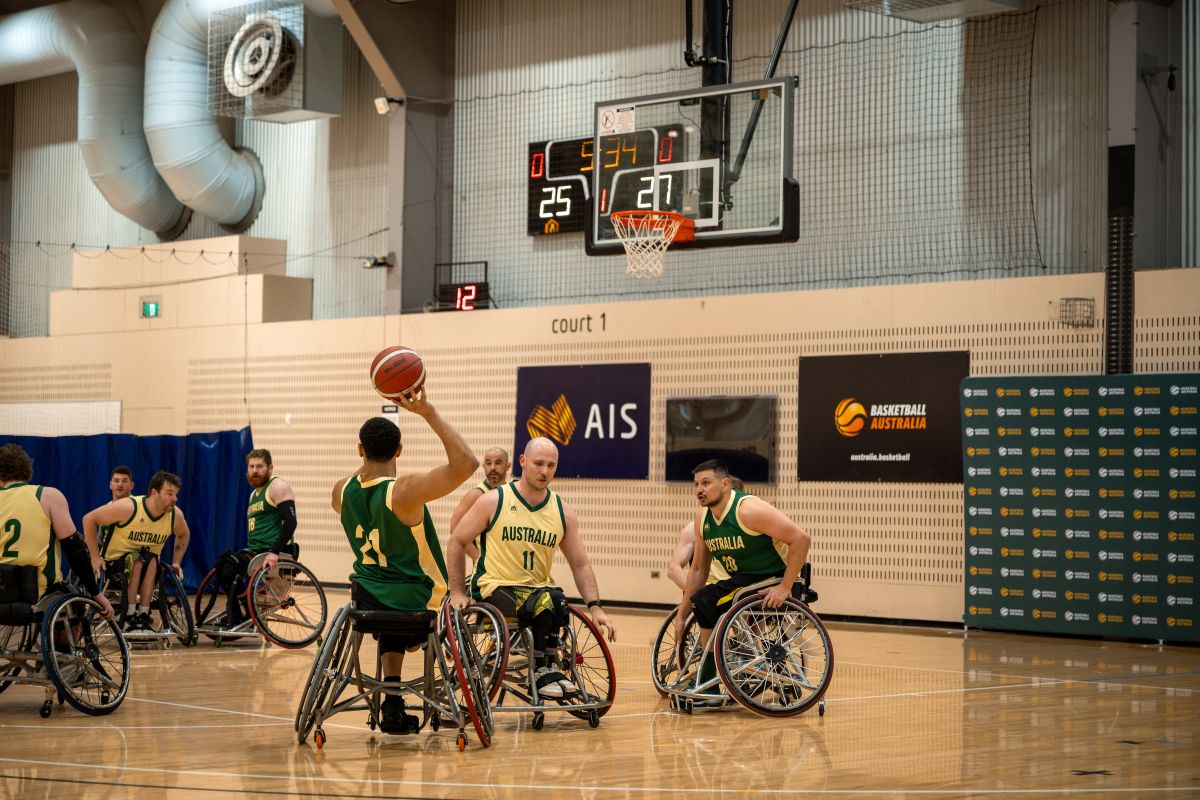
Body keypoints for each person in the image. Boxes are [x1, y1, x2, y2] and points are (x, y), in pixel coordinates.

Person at [332, 388, 477, 734]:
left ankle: (392, 702)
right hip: (417, 599)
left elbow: (358, 481)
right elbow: (467, 464)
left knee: (390, 616)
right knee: (452, 605)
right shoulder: (404, 491)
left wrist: (368, 456)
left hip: (366, 596)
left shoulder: (341, 490)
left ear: (360, 450)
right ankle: (458, 693)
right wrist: (428, 413)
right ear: (399, 451)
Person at [447, 436, 616, 700]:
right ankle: (540, 669)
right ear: (523, 462)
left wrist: (595, 607)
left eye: (551, 465)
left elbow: (580, 563)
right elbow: (457, 540)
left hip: (539, 592)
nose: (545, 471)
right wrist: (457, 591)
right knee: (546, 601)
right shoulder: (494, 500)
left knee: (557, 600)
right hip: (495, 587)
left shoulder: (563, 511)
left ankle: (548, 667)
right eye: (538, 463)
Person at [675, 459, 810, 707]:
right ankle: (715, 674)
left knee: (707, 601)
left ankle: (711, 680)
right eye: (696, 484)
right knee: (703, 599)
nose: (699, 490)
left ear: (725, 484)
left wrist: (785, 586)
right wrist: (682, 615)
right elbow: (698, 569)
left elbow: (801, 539)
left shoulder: (748, 509)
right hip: (743, 580)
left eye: (706, 483)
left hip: (772, 576)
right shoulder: (702, 518)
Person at [0, 444, 114, 620]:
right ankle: (65, 646)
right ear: (26, 470)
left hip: (2, 591)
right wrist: (95, 593)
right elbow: (75, 551)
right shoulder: (47, 496)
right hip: (37, 594)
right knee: (73, 601)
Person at [83, 471, 190, 632]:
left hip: (149, 568)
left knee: (152, 559)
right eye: (169, 494)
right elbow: (89, 519)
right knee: (137, 559)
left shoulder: (175, 515)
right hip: (113, 567)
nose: (174, 499)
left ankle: (143, 615)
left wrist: (176, 562)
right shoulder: (129, 507)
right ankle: (129, 615)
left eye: (175, 494)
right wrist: (95, 557)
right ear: (154, 493)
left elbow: (183, 535)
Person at [666, 475, 745, 591]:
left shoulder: (745, 528)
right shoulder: (693, 528)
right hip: (707, 593)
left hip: (736, 594)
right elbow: (673, 569)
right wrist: (697, 594)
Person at [448, 447, 511, 561]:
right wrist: (477, 558)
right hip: (485, 571)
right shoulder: (476, 494)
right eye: (488, 463)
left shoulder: (511, 494)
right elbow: (455, 529)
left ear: (508, 466)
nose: (492, 467)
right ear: (483, 466)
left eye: (498, 463)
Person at [97, 466, 134, 555]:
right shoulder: (105, 509)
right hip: (108, 565)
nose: (120, 484)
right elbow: (100, 541)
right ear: (110, 484)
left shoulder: (138, 507)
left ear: (132, 485)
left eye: (124, 481)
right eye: (116, 481)